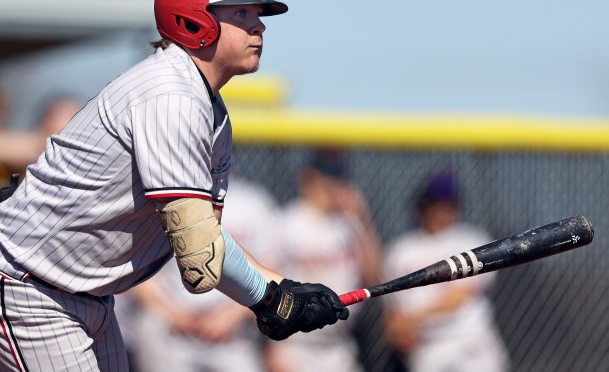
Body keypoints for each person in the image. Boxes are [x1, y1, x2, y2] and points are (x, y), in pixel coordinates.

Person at [0, 0, 348, 372]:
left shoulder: (205, 105)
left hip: (83, 295)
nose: (260, 25)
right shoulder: (170, 95)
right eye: (243, 12)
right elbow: (198, 257)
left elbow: (206, 237)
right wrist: (272, 299)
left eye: (259, 13)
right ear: (195, 19)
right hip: (31, 287)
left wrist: (281, 287)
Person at [117, 177, 280, 372]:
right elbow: (136, 270)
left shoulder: (253, 204)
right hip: (170, 329)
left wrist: (229, 316)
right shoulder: (156, 200)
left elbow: (270, 271)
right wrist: (173, 313)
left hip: (233, 334)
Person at [264, 148, 383, 372]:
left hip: (339, 348)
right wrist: (271, 344)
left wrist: (363, 219)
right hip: (295, 346)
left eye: (337, 179)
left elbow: (374, 276)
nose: (332, 186)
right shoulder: (288, 221)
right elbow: (265, 283)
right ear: (309, 179)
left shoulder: (350, 225)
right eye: (326, 178)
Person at [383, 170, 509, 372]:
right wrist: (397, 331)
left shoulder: (472, 240)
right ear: (423, 205)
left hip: (469, 344)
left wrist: (413, 319)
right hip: (427, 348)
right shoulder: (400, 250)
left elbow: (459, 296)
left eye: (450, 204)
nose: (443, 211)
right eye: (437, 204)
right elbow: (392, 313)